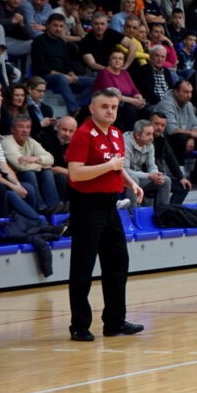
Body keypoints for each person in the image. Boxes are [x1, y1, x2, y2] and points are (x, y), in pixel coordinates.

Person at [65, 88, 145, 342]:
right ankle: (79, 325)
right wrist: (109, 166)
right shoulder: (82, 134)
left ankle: (114, 322)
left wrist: (131, 183)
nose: (110, 111)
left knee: (118, 263)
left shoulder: (116, 133)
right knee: (83, 266)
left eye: (113, 107)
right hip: (87, 206)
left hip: (111, 205)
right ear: (92, 108)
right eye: (104, 106)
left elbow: (117, 166)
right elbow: (75, 173)